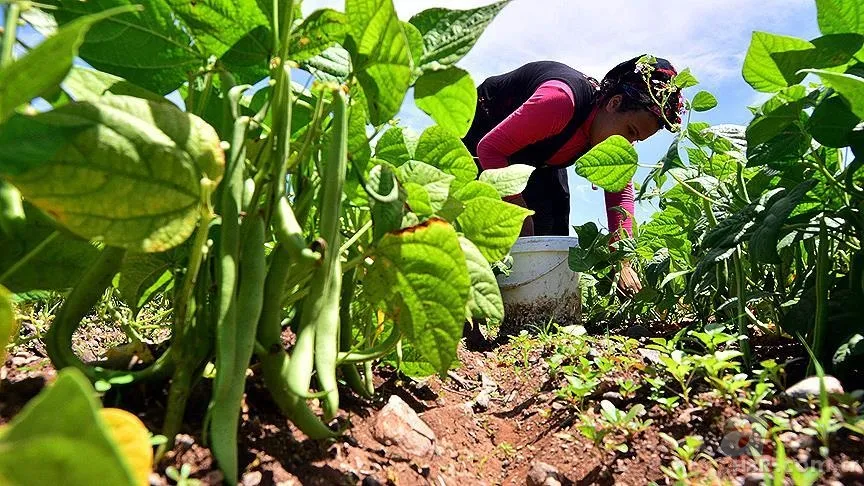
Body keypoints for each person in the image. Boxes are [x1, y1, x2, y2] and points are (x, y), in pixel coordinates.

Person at [462, 55, 685, 296]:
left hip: (537, 155)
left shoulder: (608, 133)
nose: (628, 143)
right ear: (614, 103)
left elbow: (619, 193)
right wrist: (516, 206)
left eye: (636, 139)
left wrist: (622, 261)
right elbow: (490, 149)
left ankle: (527, 311)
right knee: (492, 227)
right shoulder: (559, 102)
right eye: (630, 131)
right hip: (484, 131)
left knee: (549, 239)